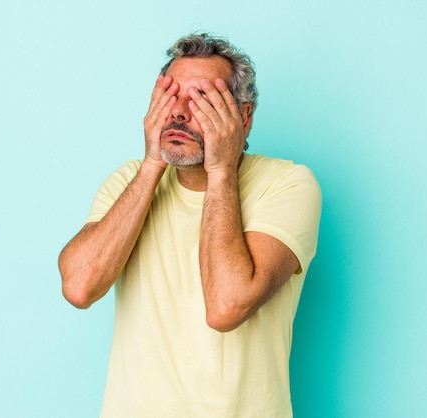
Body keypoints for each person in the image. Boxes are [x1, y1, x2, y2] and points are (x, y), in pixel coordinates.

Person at [58, 33, 322, 418]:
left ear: (243, 118)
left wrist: (220, 169)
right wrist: (151, 165)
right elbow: (79, 287)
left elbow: (225, 307)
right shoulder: (129, 181)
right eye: (170, 95)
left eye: (200, 99)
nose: (178, 112)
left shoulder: (288, 185)